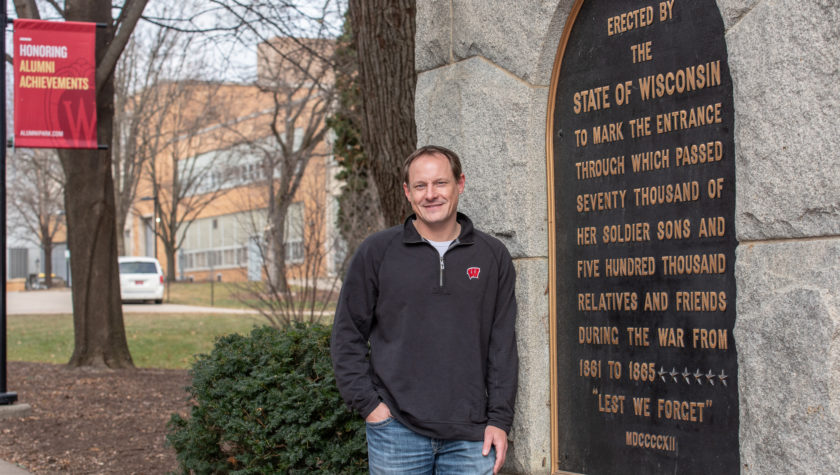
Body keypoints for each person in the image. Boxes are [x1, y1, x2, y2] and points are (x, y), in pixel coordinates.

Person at [331, 145, 518, 474]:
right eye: (420, 186)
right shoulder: (377, 252)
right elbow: (347, 335)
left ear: (460, 184)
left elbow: (502, 346)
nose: (431, 194)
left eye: (440, 183)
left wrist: (500, 420)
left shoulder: (492, 256)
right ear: (407, 192)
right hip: (396, 433)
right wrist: (371, 407)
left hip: (473, 438)